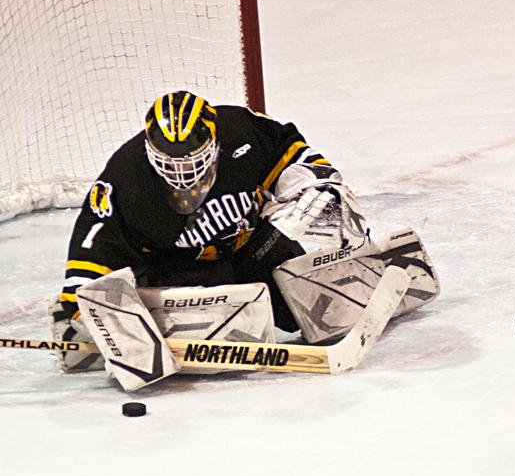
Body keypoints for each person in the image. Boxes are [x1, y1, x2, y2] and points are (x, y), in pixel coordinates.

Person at [53, 90, 438, 386]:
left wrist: (313, 184)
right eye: (170, 165)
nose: (183, 176)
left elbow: (293, 153)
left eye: (192, 162)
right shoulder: (125, 180)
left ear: (215, 143)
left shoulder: (243, 130)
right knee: (235, 320)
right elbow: (94, 247)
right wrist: (83, 310)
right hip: (180, 268)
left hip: (255, 246)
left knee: (308, 301)